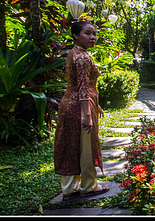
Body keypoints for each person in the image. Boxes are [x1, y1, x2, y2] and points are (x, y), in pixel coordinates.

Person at [54, 20, 109, 200]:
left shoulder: (74, 53)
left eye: (94, 34)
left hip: (68, 104)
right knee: (86, 148)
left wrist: (96, 104)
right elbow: (84, 88)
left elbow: (79, 84)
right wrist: (86, 114)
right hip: (80, 107)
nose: (92, 37)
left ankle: (68, 189)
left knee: (70, 146)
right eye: (87, 33)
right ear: (76, 35)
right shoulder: (84, 57)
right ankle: (89, 186)